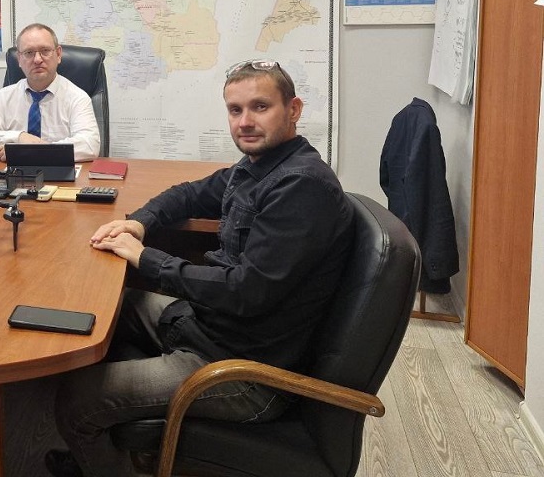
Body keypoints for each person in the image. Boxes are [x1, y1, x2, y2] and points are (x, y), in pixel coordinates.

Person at [45, 60, 354, 477]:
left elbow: (244, 291)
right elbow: (189, 194)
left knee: (76, 400)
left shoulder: (300, 186)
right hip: (210, 328)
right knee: (110, 308)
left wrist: (145, 257)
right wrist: (139, 223)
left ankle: (98, 455)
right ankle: (97, 452)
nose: (245, 122)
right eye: (235, 110)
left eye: (260, 107)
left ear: (293, 109)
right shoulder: (259, 166)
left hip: (243, 371)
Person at [0, 23, 100, 161]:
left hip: (58, 173)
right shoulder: (4, 97)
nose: (38, 59)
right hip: (13, 173)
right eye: (29, 53)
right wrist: (19, 137)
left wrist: (28, 152)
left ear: (58, 54)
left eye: (45, 51)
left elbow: (90, 145)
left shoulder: (77, 97)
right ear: (19, 59)